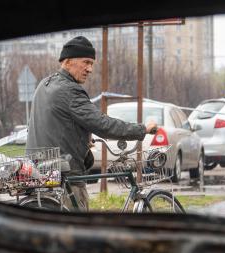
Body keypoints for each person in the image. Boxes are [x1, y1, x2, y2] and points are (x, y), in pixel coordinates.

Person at [27, 35, 158, 211]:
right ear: (67, 61)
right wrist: (142, 129)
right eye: (86, 62)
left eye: (92, 64)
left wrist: (82, 136)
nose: (89, 69)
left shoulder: (44, 84)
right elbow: (103, 124)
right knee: (78, 235)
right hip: (65, 177)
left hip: (38, 174)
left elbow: (55, 122)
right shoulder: (70, 90)